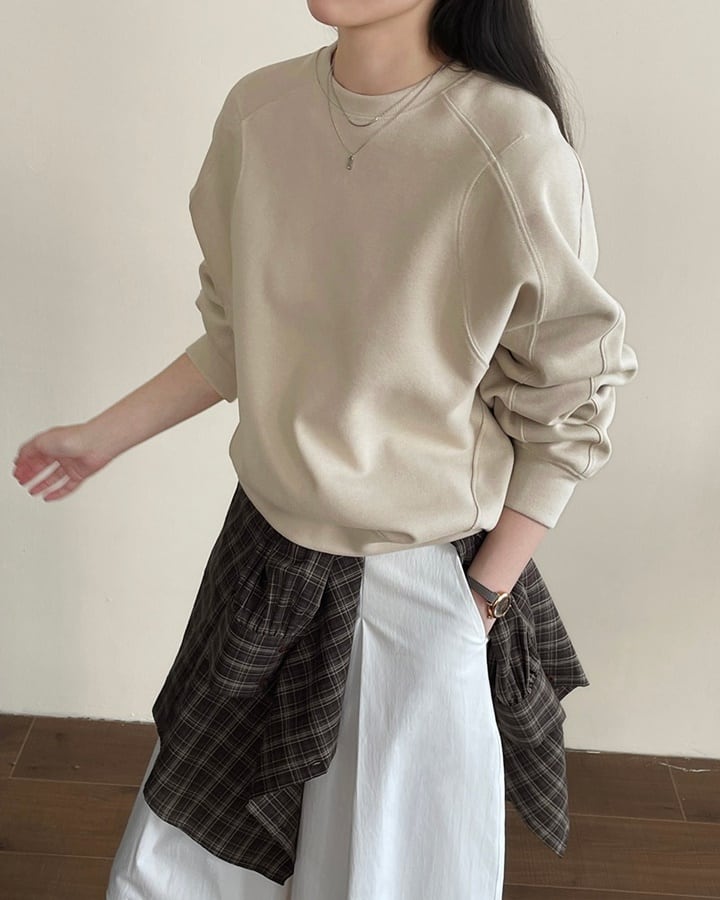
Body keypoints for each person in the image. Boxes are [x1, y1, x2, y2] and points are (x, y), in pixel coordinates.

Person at [12, 1, 639, 898]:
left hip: (417, 589)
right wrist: (98, 438)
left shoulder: (509, 142)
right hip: (262, 557)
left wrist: (480, 601)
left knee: (387, 877)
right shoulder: (259, 113)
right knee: (179, 869)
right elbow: (238, 335)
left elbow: (573, 399)